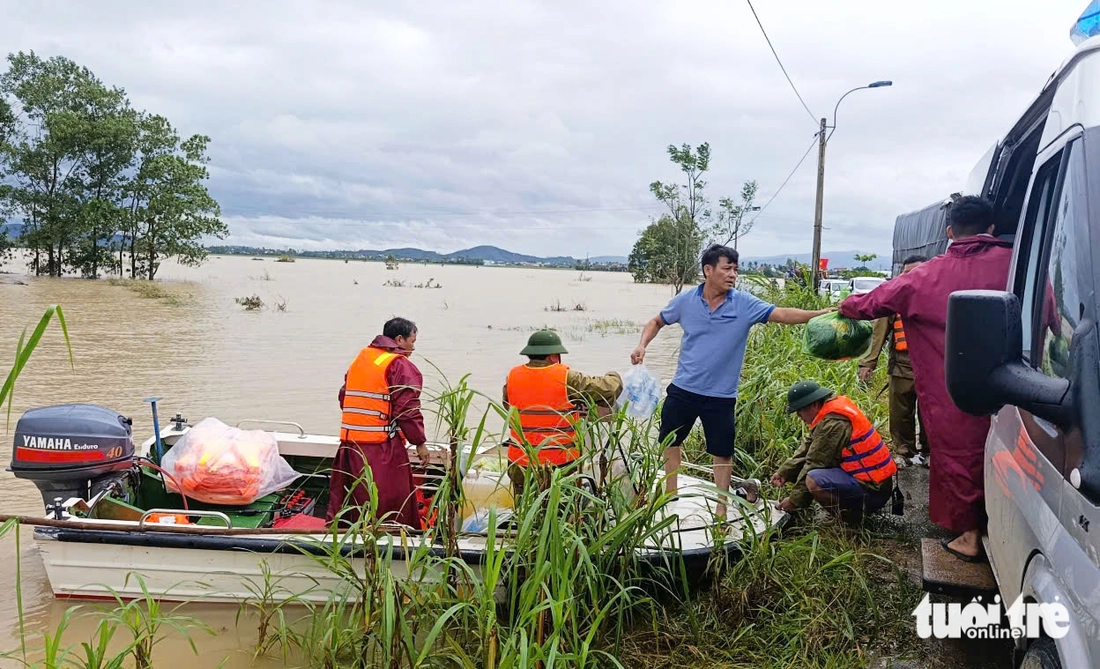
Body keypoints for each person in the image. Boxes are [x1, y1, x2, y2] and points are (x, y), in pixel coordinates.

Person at [839, 196, 1012, 562]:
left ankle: (969, 534)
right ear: (992, 229)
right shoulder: (1019, 264)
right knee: (1010, 453)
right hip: (1015, 383)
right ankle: (1004, 527)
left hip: (955, 387)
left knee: (959, 454)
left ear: (950, 232)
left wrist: (842, 308)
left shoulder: (926, 274)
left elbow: (870, 303)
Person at [631, 244, 832, 517]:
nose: (733, 275)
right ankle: (670, 493)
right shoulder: (686, 301)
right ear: (708, 270)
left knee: (722, 452)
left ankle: (721, 506)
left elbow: (782, 314)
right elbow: (656, 321)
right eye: (727, 268)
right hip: (683, 388)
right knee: (670, 441)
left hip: (721, 396)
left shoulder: (744, 304)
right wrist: (642, 345)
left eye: (735, 270)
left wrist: (820, 314)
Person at [326, 317, 429, 529]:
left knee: (352, 503)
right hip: (380, 449)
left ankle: (346, 536)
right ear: (399, 339)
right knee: (388, 503)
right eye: (412, 341)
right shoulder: (398, 365)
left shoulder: (362, 358)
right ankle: (393, 540)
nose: (413, 347)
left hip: (350, 446)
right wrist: (419, 442)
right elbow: (408, 410)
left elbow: (344, 398)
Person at [503, 329, 623, 497]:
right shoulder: (567, 378)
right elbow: (608, 389)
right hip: (559, 466)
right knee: (560, 515)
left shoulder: (512, 377)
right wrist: (614, 375)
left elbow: (508, 407)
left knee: (525, 513)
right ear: (553, 356)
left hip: (520, 464)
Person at [770, 381, 896, 519]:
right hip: (869, 481)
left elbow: (816, 461)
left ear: (814, 405)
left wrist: (794, 501)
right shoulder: (827, 414)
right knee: (813, 475)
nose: (799, 416)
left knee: (814, 480)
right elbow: (809, 448)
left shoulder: (833, 424)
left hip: (874, 490)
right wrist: (785, 471)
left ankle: (850, 519)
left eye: (800, 410)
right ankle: (851, 509)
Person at [857, 255, 929, 467]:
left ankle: (930, 451)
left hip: (931, 366)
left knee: (929, 411)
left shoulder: (937, 295)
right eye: (907, 272)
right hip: (902, 363)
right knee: (900, 410)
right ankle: (903, 450)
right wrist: (868, 363)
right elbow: (879, 332)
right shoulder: (895, 296)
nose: (911, 276)